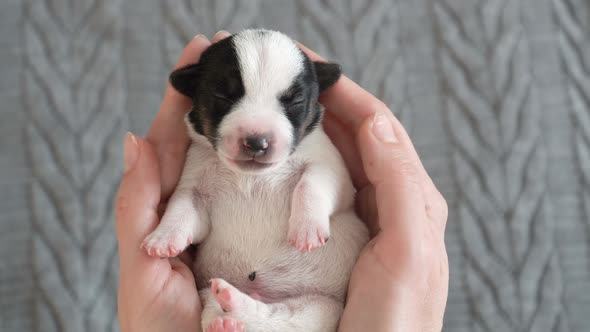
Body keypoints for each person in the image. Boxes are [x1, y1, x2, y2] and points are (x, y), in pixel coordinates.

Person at [115, 31, 449, 332]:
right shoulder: (202, 156)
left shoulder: (314, 148)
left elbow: (335, 184)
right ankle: (244, 317)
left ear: (313, 102)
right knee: (212, 305)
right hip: (226, 288)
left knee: (323, 313)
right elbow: (194, 201)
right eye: (225, 99)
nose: (257, 137)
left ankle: (255, 319)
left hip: (317, 292)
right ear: (194, 93)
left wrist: (311, 206)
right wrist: (173, 231)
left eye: (290, 103)